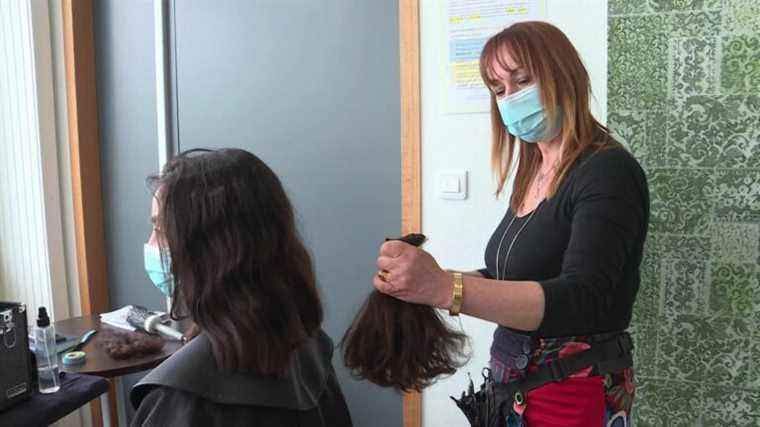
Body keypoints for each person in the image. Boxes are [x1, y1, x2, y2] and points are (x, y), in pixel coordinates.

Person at [373, 22, 649, 427]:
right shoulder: (534, 170)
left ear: (564, 74)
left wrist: (446, 288)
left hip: (573, 392)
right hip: (518, 387)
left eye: (523, 80)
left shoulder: (607, 171)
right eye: (499, 90)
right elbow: (510, 275)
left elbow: (582, 297)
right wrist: (422, 285)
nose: (510, 98)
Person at [131, 148, 352, 427]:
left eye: (161, 230)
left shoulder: (178, 398)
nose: (151, 244)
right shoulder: (308, 343)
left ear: (208, 251)